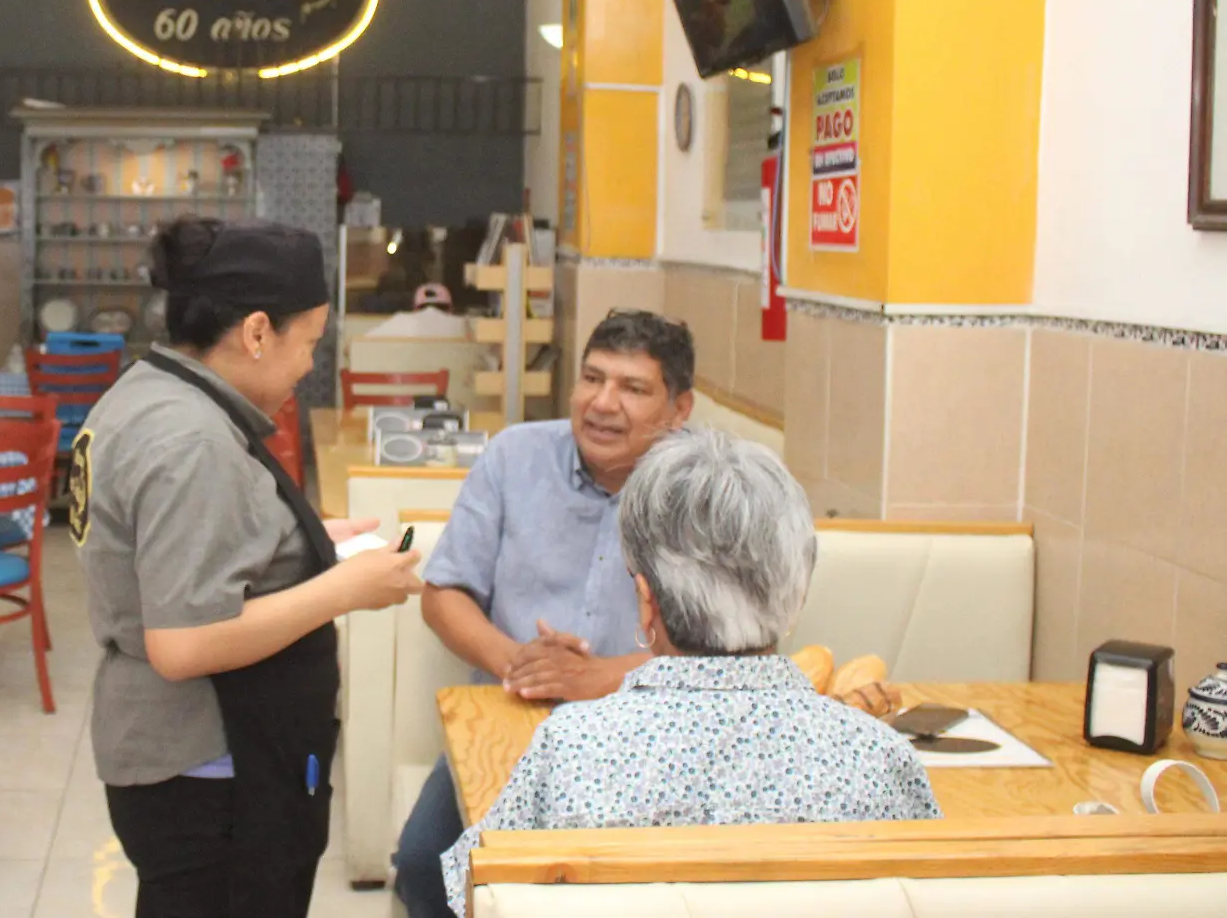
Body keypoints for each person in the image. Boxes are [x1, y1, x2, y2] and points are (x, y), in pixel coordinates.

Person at [71, 215, 425, 918]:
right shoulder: (191, 440)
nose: (308, 365)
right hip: (210, 768)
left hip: (185, 756)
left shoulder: (149, 392)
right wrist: (342, 589)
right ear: (258, 332)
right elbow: (185, 643)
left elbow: (175, 540)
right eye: (310, 343)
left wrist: (302, 537)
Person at [438, 428, 942, 915]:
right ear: (797, 597)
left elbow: (477, 893)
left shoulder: (571, 749)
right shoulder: (879, 758)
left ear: (646, 605)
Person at [393, 308, 695, 917]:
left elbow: (730, 646)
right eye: (592, 378)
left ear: (679, 410)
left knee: (615, 882)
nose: (602, 403)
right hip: (509, 721)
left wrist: (602, 677)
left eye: (632, 388)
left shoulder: (705, 486)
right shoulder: (514, 457)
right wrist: (519, 663)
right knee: (425, 863)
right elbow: (442, 593)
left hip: (651, 732)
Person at [365, 283, 470, 339]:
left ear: (415, 308)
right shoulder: (462, 324)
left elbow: (359, 345)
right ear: (451, 308)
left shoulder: (402, 321)